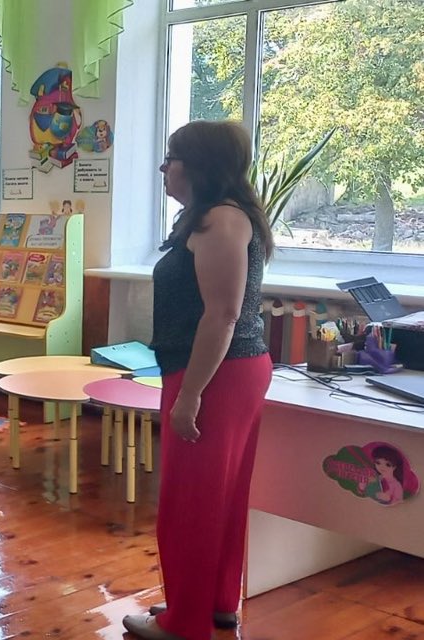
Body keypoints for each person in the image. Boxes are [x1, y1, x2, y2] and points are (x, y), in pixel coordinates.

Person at [123, 120, 274, 640]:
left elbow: (223, 315)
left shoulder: (220, 221)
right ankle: (214, 604)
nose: (163, 167)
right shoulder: (212, 218)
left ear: (201, 165)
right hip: (220, 370)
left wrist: (190, 395)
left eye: (172, 158)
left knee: (191, 502)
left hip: (213, 374)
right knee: (216, 496)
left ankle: (184, 623)